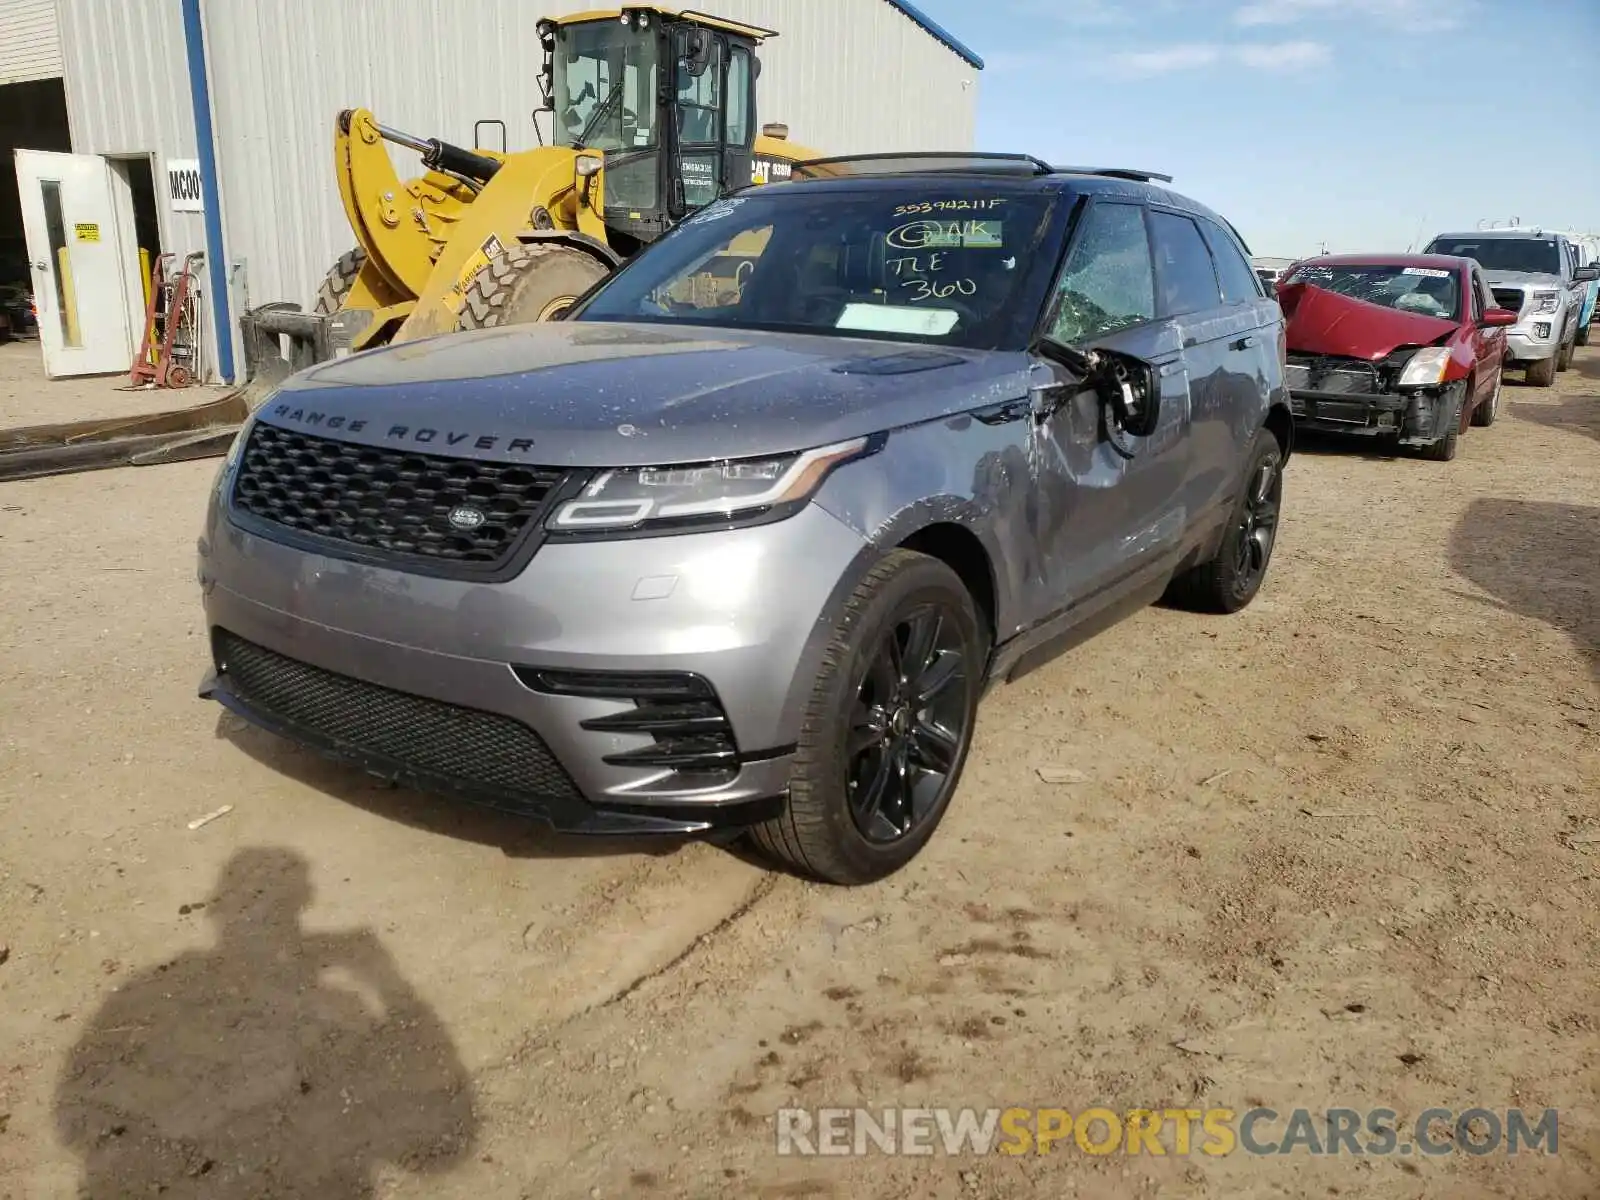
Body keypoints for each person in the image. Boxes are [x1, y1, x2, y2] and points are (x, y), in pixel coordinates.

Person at [54, 848, 477, 1198]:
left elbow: (72, 1115)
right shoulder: (170, 991)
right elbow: (444, 1151)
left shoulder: (154, 986)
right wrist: (385, 976)